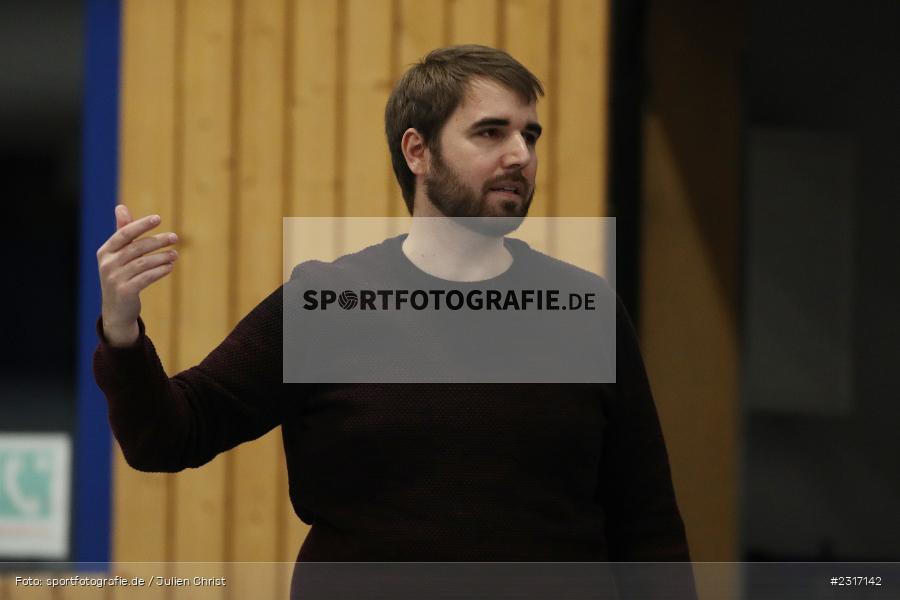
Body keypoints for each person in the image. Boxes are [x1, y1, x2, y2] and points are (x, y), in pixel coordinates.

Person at [94, 45, 694, 598]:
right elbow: (169, 437)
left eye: (529, 136)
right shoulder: (326, 304)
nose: (521, 155)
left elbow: (648, 526)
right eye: (491, 132)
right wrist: (122, 334)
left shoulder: (583, 308)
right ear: (417, 151)